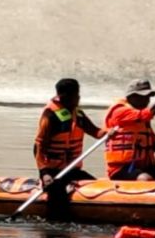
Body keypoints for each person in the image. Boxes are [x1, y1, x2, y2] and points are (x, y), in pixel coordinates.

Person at [34, 78, 106, 215]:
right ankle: (55, 229)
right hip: (53, 171)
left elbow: (96, 132)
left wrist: (109, 132)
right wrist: (45, 174)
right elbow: (38, 146)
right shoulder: (50, 115)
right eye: (75, 95)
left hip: (71, 170)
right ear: (63, 96)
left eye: (78, 94)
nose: (78, 98)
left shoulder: (77, 113)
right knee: (58, 199)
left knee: (96, 186)